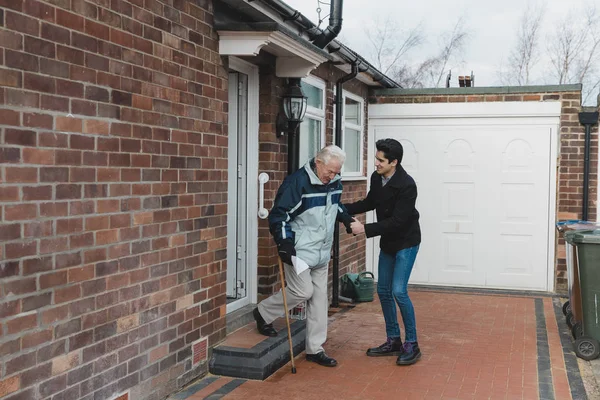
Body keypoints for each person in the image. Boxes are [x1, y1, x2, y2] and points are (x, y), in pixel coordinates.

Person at [253, 145, 353, 367]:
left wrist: (346, 218)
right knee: (303, 291)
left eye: (337, 172)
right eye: (330, 171)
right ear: (318, 163)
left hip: (322, 251)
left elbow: (335, 205)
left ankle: (315, 349)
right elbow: (279, 216)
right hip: (300, 252)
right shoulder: (297, 183)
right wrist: (284, 243)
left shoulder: (333, 181)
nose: (334, 176)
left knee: (319, 300)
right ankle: (263, 312)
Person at [345, 138, 422, 365]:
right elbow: (370, 202)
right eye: (376, 159)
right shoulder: (377, 178)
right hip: (388, 243)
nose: (376, 164)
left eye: (380, 160)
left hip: (406, 242)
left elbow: (398, 221)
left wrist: (364, 229)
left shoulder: (407, 185)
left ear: (394, 162)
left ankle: (412, 343)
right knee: (384, 291)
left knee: (398, 291)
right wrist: (342, 207)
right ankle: (393, 340)